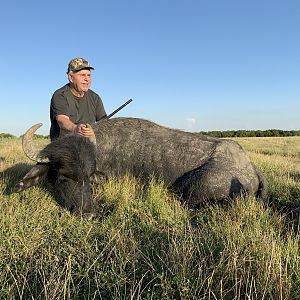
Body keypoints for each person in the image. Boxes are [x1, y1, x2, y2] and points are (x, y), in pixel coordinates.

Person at [50, 57, 107, 141]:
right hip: (64, 145)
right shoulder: (60, 95)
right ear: (71, 77)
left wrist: (94, 131)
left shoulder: (95, 97)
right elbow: (62, 120)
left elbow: (104, 123)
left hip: (88, 145)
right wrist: (76, 128)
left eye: (89, 75)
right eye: (82, 75)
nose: (87, 79)